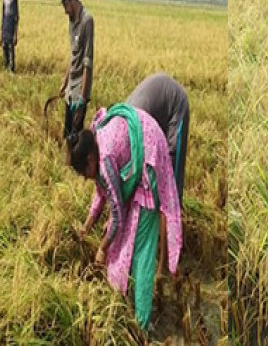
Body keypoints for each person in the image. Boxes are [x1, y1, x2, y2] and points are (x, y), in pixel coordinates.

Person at [68, 104, 182, 330]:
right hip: (141, 144)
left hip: (150, 157)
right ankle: (126, 293)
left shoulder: (105, 158)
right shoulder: (96, 143)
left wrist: (102, 248)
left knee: (141, 247)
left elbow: (118, 216)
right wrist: (86, 226)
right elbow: (102, 191)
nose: (83, 179)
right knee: (125, 236)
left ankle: (142, 323)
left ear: (90, 160)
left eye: (83, 173)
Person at [126, 73, 190, 204]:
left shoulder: (133, 129)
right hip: (155, 111)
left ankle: (173, 213)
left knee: (172, 162)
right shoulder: (120, 130)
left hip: (175, 105)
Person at [59, 0, 95, 137]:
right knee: (67, 134)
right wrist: (65, 82)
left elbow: (88, 61)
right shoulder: (71, 21)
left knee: (75, 138)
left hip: (80, 90)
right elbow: (73, 54)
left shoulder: (87, 20)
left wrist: (82, 98)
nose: (65, 10)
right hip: (70, 90)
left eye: (65, 5)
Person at [0, 0, 20, 73]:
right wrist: (1, 34)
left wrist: (15, 34)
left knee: (11, 55)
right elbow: (3, 15)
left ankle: (12, 74)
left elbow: (17, 17)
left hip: (11, 29)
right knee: (5, 56)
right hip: (4, 28)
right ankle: (5, 74)